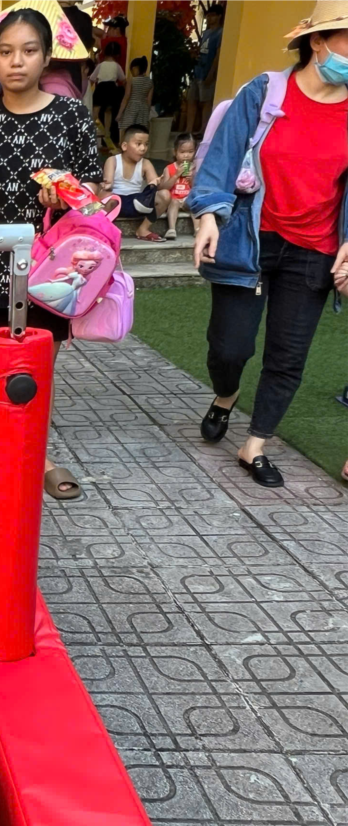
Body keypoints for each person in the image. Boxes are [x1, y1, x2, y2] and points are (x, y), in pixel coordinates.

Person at [0, 7, 100, 500]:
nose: (16, 61)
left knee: (36, 369)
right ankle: (2, 460)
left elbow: (91, 193)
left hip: (50, 268)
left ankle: (33, 456)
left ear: (46, 57)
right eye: (5, 52)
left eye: (29, 51)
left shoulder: (70, 116)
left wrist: (65, 195)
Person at [190, 3, 348, 488]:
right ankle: (226, 395)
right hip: (250, 239)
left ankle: (254, 444)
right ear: (317, 41)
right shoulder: (264, 92)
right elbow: (221, 157)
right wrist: (208, 215)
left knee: (288, 355)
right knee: (229, 348)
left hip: (315, 248)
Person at [102, 123, 170, 242]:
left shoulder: (145, 163)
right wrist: (105, 185)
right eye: (138, 144)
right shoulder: (113, 160)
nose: (143, 148)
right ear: (124, 146)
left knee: (165, 195)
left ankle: (143, 229)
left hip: (137, 203)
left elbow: (155, 185)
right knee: (106, 195)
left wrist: (158, 181)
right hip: (116, 202)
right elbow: (108, 184)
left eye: (146, 144)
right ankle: (104, 230)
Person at [187, 4, 225, 133]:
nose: (209, 18)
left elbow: (218, 55)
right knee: (192, 99)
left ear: (219, 16)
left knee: (206, 102)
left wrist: (211, 73)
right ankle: (188, 129)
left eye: (212, 15)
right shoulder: (206, 32)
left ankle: (204, 130)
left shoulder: (220, 33)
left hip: (208, 71)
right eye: (208, 16)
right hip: (198, 70)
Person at [161, 132, 197, 240]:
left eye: (190, 152)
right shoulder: (169, 168)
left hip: (187, 199)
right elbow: (164, 188)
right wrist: (176, 175)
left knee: (195, 202)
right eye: (182, 152)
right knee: (174, 202)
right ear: (175, 152)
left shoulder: (195, 168)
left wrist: (192, 179)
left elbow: (197, 188)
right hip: (174, 199)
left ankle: (197, 229)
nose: (186, 155)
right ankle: (171, 229)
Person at [90, 53, 127, 146]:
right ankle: (107, 132)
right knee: (108, 111)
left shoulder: (100, 65)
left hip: (101, 87)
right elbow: (123, 79)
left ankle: (90, 130)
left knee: (95, 111)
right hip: (111, 87)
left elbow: (92, 78)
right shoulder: (117, 65)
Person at [118, 56, 153, 139]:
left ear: (135, 68)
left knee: (126, 130)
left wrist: (120, 113)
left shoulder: (132, 80)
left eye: (131, 70)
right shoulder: (150, 82)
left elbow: (126, 97)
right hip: (144, 109)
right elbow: (149, 100)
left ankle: (123, 145)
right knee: (140, 131)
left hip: (131, 107)